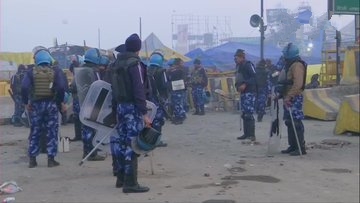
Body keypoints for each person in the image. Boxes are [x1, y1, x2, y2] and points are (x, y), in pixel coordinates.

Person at [111, 33, 151, 193]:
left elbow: (113, 89)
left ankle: (120, 178)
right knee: (133, 144)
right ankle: (130, 183)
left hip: (120, 107)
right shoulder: (135, 64)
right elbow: (138, 89)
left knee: (121, 143)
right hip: (133, 109)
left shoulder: (117, 63)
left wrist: (115, 110)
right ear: (138, 48)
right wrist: (144, 113)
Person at [21, 49, 66, 168]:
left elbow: (24, 88)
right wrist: (60, 102)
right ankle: (51, 159)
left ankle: (32, 160)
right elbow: (61, 87)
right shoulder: (55, 72)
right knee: (52, 131)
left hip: (36, 105)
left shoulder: (31, 72)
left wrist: (26, 102)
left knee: (35, 131)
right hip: (51, 104)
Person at [76, 48, 107, 161]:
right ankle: (90, 153)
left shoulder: (81, 69)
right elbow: (100, 87)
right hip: (93, 104)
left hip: (83, 102)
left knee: (86, 127)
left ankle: (89, 150)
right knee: (91, 128)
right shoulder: (94, 71)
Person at [277, 43, 307, 156]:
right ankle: (293, 146)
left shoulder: (297, 65)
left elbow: (298, 84)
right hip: (288, 96)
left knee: (296, 122)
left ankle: (300, 147)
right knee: (289, 122)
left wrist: (289, 96)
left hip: (294, 97)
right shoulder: (289, 65)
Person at [147, 51, 169, 147]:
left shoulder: (146, 70)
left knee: (149, 119)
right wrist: (165, 97)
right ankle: (156, 140)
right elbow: (165, 85)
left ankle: (148, 138)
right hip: (158, 98)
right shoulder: (161, 71)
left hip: (148, 98)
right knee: (158, 120)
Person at [234, 49, 257, 141]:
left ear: (242, 57)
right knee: (244, 113)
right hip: (243, 92)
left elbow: (254, 77)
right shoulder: (238, 66)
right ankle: (246, 133)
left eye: (237, 57)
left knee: (249, 113)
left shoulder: (248, 65)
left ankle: (252, 135)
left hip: (249, 92)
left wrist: (245, 84)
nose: (235, 59)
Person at [167, 58, 187, 124]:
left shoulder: (179, 70)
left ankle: (180, 117)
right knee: (176, 103)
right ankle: (178, 116)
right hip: (176, 88)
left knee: (177, 103)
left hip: (177, 88)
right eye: (181, 62)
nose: (182, 64)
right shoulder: (179, 70)